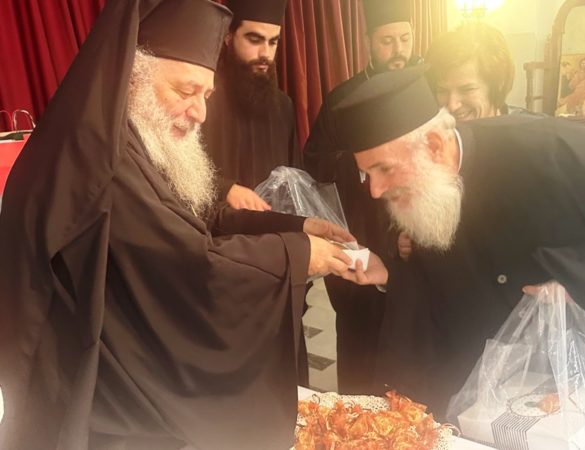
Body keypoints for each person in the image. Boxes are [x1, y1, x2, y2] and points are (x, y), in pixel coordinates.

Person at [0, 1, 356, 449]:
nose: (200, 113)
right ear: (133, 76)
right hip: (97, 403)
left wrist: (295, 226)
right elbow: (185, 261)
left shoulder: (130, 136)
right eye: (186, 91)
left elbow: (195, 216)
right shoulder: (99, 160)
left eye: (206, 95)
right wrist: (298, 256)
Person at [332, 66, 585, 420]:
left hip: (562, 378)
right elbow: (436, 281)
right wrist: (391, 275)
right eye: (367, 173)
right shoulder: (414, 185)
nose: (376, 190)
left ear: (434, 145)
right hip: (476, 383)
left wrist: (579, 280)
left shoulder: (548, 148)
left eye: (384, 169)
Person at [302, 0, 419, 395]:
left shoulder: (424, 91)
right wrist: (361, 161)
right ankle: (354, 416)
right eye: (387, 41)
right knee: (357, 344)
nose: (398, 50)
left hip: (411, 237)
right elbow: (314, 161)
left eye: (405, 39)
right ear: (369, 42)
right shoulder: (342, 100)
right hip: (361, 236)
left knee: (410, 342)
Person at [203, 0, 300, 212]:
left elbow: (295, 183)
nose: (265, 53)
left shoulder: (284, 107)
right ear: (228, 36)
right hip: (212, 228)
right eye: (254, 40)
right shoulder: (201, 97)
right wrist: (225, 189)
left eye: (273, 42)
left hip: (276, 229)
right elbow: (175, 173)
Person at [425, 22, 515, 121]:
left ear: (498, 86)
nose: (452, 106)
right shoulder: (433, 128)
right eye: (442, 90)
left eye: (467, 89)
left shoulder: (525, 130)